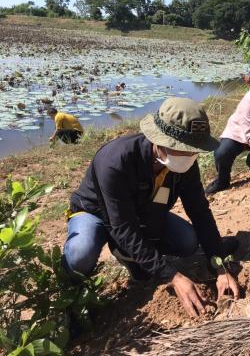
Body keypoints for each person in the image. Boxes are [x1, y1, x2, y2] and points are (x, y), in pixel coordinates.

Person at [62, 98, 240, 317]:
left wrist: (218, 263)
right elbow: (123, 228)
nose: (188, 156)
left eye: (193, 150)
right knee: (81, 252)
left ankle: (136, 258)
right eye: (182, 149)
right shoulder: (115, 161)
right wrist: (173, 276)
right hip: (94, 212)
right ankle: (70, 297)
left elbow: (200, 211)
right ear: (160, 140)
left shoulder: (186, 165)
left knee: (188, 242)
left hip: (141, 211)